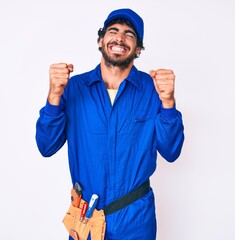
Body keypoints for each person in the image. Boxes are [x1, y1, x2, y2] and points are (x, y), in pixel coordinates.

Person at [36, 8, 184, 240]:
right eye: (113, 31)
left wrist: (168, 103)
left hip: (136, 220)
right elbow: (46, 146)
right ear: (101, 40)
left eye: (129, 34)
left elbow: (171, 151)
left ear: (138, 49)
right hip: (86, 218)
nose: (120, 38)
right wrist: (54, 96)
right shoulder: (74, 88)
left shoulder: (153, 90)